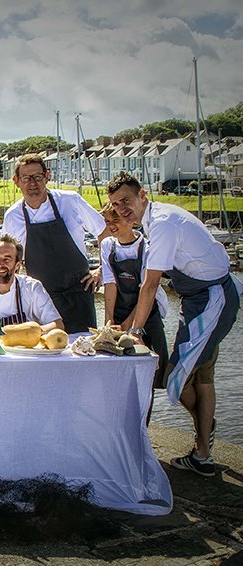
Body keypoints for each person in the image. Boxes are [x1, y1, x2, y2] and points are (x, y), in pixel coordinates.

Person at [107, 171, 242, 477]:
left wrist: (135, 332)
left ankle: (203, 441)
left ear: (143, 196)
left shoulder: (164, 225)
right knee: (202, 376)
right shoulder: (159, 219)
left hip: (211, 300)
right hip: (202, 298)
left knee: (175, 379)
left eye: (126, 200)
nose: (121, 209)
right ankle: (204, 450)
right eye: (116, 205)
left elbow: (150, 285)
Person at [1, 153, 108, 333]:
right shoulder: (13, 216)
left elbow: (104, 232)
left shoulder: (70, 201)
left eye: (38, 177)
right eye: (26, 178)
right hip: (40, 298)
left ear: (47, 176)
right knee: (44, 351)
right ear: (16, 181)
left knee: (83, 352)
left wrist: (101, 270)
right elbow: (8, 257)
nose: (32, 184)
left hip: (78, 293)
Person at [99, 203, 169, 400]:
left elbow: (147, 290)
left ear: (130, 220)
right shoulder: (107, 245)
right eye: (107, 221)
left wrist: (129, 324)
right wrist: (109, 320)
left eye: (115, 220)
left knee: (152, 373)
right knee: (119, 373)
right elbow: (110, 282)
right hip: (119, 313)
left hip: (147, 315)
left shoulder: (146, 248)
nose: (111, 226)